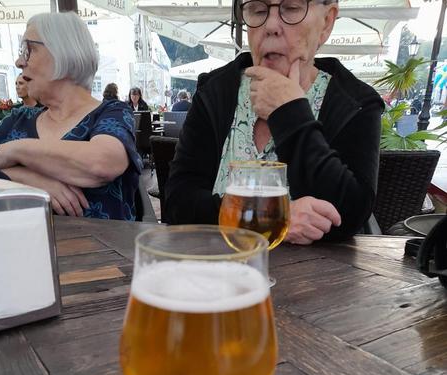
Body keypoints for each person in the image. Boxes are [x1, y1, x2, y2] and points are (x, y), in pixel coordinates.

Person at [165, 0, 384, 243]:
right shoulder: (216, 91)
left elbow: (350, 215)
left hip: (317, 268)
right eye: (257, 9)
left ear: (326, 22)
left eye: (291, 8)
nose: (270, 25)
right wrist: (271, 219)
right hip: (218, 263)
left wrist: (289, 113)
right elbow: (177, 202)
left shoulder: (355, 102)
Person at [0, 11, 142, 220]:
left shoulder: (112, 112)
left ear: (63, 52)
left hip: (98, 242)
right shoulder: (19, 117)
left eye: (27, 50)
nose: (19, 62)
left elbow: (102, 163)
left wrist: (14, 151)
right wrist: (25, 177)